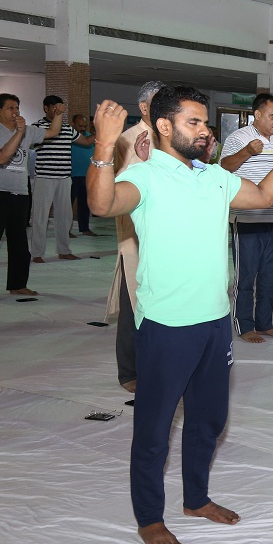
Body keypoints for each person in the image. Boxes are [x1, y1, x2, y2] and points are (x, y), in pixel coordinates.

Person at [87, 87, 273, 544]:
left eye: (206, 123)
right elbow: (102, 205)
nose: (206, 131)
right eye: (194, 123)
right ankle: (149, 516)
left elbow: (266, 194)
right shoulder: (145, 177)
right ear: (164, 127)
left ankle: (196, 499)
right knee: (154, 427)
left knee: (208, 420)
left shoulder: (214, 178)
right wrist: (105, 147)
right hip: (166, 325)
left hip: (214, 321)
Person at [104, 80, 163, 392]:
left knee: (161, 302)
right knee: (133, 302)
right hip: (136, 234)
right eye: (160, 101)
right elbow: (119, 189)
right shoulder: (128, 139)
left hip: (166, 233)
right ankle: (128, 371)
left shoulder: (168, 137)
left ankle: (157, 364)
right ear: (144, 108)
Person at [220, 93, 273, 343]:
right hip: (247, 217)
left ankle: (264, 323)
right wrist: (246, 152)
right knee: (246, 276)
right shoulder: (239, 137)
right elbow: (224, 168)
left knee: (272, 276)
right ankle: (244, 324)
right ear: (257, 115)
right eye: (272, 115)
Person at [0, 93, 62, 295]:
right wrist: (20, 132)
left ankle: (17, 285)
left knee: (19, 242)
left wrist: (59, 114)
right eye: (10, 108)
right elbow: (2, 158)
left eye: (16, 107)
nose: (15, 111)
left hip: (20, 193)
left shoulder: (30, 131)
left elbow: (53, 131)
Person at [31, 95, 96, 263]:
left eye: (60, 108)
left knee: (64, 216)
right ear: (46, 108)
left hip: (64, 178)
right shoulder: (38, 127)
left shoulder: (67, 128)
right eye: (55, 108)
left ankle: (64, 250)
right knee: (40, 217)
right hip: (44, 177)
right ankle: (37, 253)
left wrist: (103, 130)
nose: (58, 111)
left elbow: (87, 141)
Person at [69, 114, 97, 236]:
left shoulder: (89, 138)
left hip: (87, 176)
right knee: (68, 204)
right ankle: (65, 230)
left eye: (85, 126)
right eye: (80, 126)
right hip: (72, 176)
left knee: (84, 204)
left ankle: (84, 228)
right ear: (73, 125)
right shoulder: (70, 138)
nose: (83, 128)